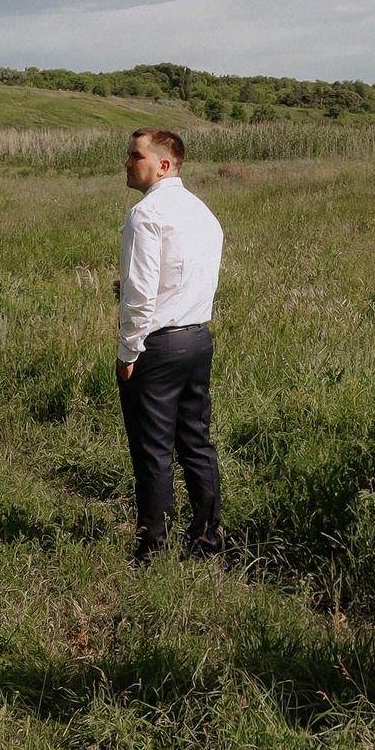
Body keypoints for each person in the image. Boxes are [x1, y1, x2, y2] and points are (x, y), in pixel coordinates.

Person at [114, 127, 225, 562]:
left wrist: (128, 351)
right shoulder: (202, 211)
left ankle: (152, 548)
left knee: (153, 449)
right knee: (196, 442)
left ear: (163, 164)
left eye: (134, 156)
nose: (126, 162)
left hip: (158, 347)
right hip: (198, 339)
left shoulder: (146, 215)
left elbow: (140, 296)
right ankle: (207, 541)